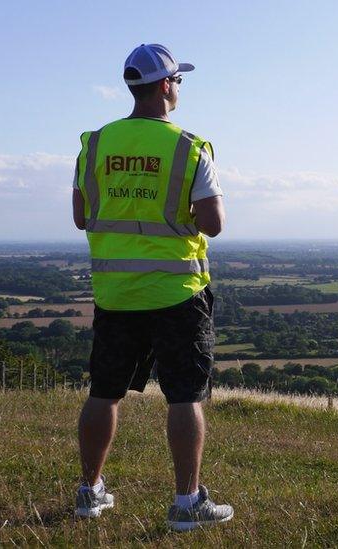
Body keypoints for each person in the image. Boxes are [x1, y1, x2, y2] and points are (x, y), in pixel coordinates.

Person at [70, 44, 232, 531]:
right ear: (165, 86)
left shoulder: (96, 144)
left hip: (115, 295)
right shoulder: (189, 146)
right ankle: (187, 505)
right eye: (178, 80)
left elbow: (82, 216)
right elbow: (214, 223)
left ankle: (89, 492)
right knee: (184, 397)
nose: (179, 87)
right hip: (177, 294)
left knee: (104, 393)